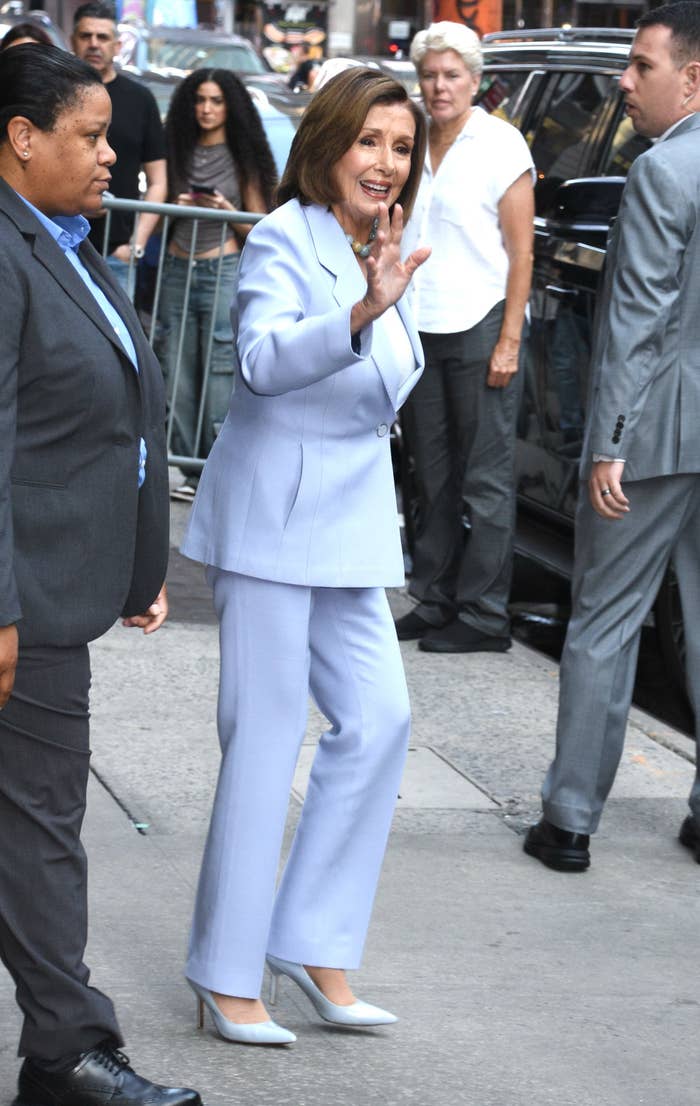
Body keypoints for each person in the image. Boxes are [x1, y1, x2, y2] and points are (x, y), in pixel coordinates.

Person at [180, 66, 430, 1044]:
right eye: (370, 140)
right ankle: (225, 972)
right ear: (327, 142)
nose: (386, 161)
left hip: (351, 530)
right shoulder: (286, 235)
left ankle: (313, 940)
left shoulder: (384, 244)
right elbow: (259, 362)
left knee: (380, 720)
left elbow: (388, 386)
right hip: (273, 525)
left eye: (401, 146)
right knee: (265, 737)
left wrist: (381, 295)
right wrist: (361, 312)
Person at [0, 45, 200, 1105]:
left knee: (32, 823)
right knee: (40, 828)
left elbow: (111, 420)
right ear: (22, 137)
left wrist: (135, 561)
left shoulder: (63, 241)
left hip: (57, 582)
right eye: (89, 135)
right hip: (21, 601)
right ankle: (68, 1054)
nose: (111, 152)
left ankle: (60, 1057)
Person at [523, 1, 700, 873]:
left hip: (657, 432)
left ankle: (569, 820)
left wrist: (609, 444)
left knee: (605, 618)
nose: (624, 82)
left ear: (693, 79)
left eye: (641, 66)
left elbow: (638, 321)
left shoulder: (665, 171)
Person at [396, 21, 534, 653]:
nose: (439, 86)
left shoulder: (501, 143)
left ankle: (484, 615)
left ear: (476, 82)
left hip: (481, 323)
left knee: (485, 479)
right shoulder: (413, 139)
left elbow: (521, 252)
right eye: (429, 75)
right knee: (431, 476)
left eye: (452, 75)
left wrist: (509, 340)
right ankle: (435, 597)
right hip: (421, 325)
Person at [157, 67, 276, 501]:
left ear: (231, 107)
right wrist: (176, 204)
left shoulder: (243, 154)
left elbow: (261, 228)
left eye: (216, 101)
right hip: (176, 267)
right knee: (176, 371)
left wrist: (226, 209)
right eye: (199, 100)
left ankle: (217, 466)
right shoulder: (177, 148)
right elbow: (156, 211)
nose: (206, 109)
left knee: (218, 371)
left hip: (222, 268)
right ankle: (189, 472)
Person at [71, 1, 166, 294]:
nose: (94, 44)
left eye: (102, 37)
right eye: (86, 36)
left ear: (117, 45)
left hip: (117, 255)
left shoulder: (140, 99)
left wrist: (136, 244)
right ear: (73, 41)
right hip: (60, 245)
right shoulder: (56, 95)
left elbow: (158, 181)